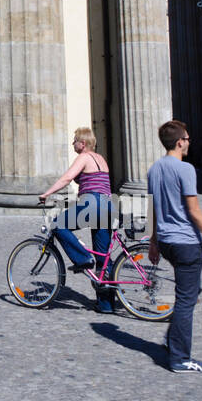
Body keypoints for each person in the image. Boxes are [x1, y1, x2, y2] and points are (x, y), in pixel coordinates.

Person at [148, 120, 202, 373]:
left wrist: (154, 242)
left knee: (186, 297)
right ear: (179, 141)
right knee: (186, 300)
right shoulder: (185, 169)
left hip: (167, 241)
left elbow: (155, 209)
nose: (190, 142)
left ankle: (173, 343)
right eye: (188, 138)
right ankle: (180, 358)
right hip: (185, 242)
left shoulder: (154, 169)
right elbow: (194, 211)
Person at [39, 128, 116, 313]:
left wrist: (47, 194)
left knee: (58, 225)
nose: (73, 143)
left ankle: (82, 259)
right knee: (103, 258)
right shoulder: (101, 159)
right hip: (107, 205)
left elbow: (67, 178)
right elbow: (96, 183)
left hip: (92, 203)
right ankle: (106, 305)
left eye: (75, 141)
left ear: (82, 144)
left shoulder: (83, 157)